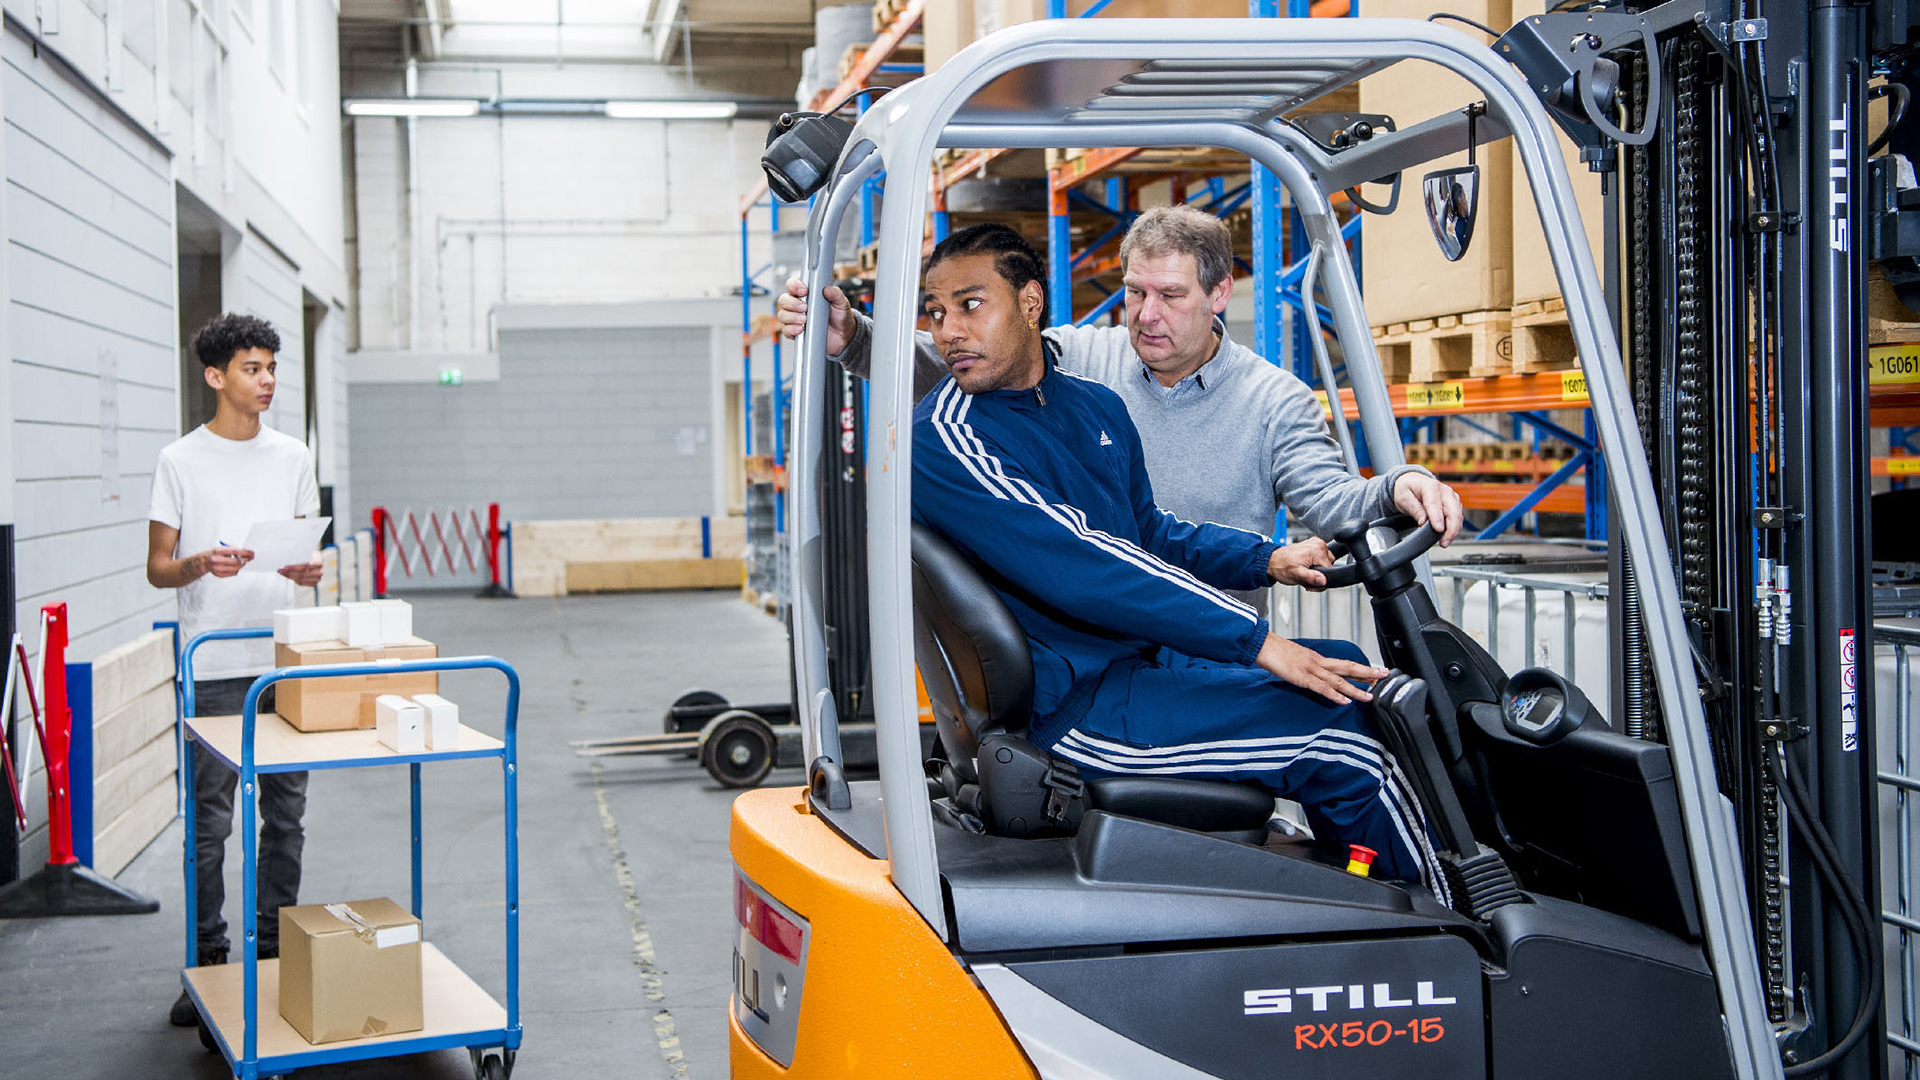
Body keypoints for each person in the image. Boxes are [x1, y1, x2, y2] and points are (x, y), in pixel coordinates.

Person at [909, 224, 1445, 896]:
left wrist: (1264, 559)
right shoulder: (949, 438)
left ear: (1030, 303)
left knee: (1351, 673)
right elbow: (1086, 562)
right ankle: (1441, 924)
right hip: (1072, 709)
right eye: (935, 312)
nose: (948, 331)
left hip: (1131, 665)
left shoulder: (1093, 405)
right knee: (1344, 738)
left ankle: (1354, 889)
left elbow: (1145, 533)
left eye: (969, 304)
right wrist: (1256, 641)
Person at [776, 206, 1466, 612]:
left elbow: (1328, 500)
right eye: (1136, 294)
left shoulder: (1271, 398)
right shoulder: (1085, 359)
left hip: (1210, 638)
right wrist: (856, 340)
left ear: (1220, 294)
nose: (1147, 316)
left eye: (1170, 295)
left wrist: (1399, 487)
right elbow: (975, 356)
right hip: (1097, 627)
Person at [148, 314, 324, 1026]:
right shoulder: (179, 461)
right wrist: (199, 562)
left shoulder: (293, 456)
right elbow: (160, 569)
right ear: (215, 376)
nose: (268, 380)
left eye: (273, 367)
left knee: (286, 818)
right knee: (210, 824)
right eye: (254, 368)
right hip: (214, 663)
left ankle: (276, 954)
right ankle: (207, 960)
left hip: (281, 661)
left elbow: (306, 555)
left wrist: (311, 569)